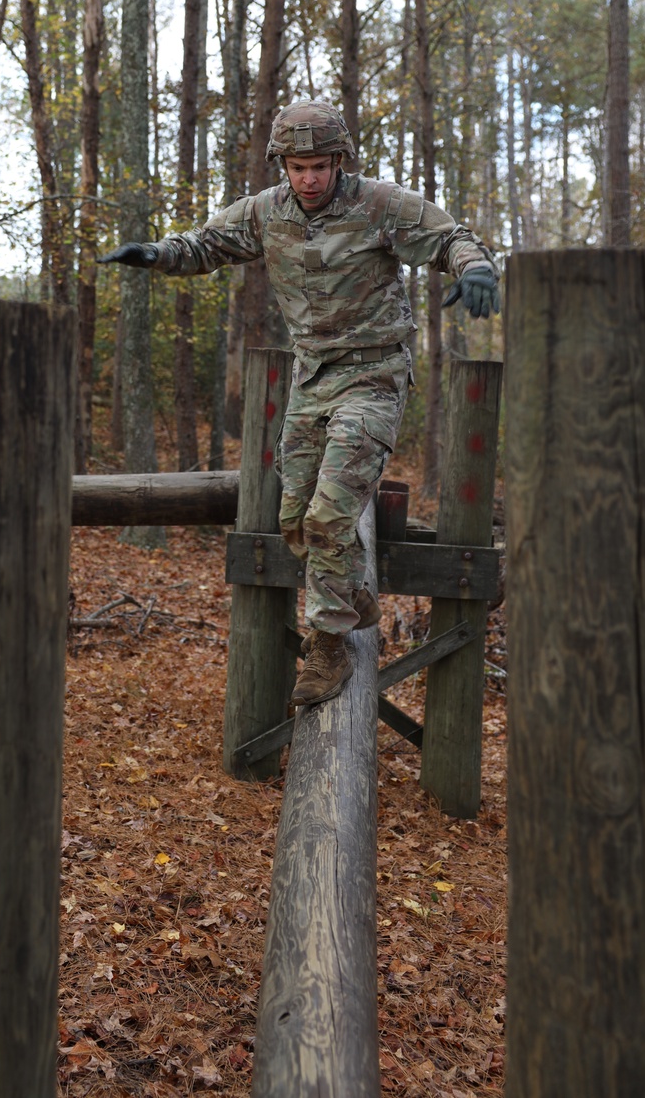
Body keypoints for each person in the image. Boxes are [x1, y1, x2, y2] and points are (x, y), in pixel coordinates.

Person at [100, 100, 499, 708]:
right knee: (294, 520)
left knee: (331, 514)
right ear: (282, 165)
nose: (309, 178)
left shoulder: (379, 205)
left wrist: (477, 269)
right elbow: (207, 243)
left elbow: (449, 238)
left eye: (319, 165)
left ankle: (329, 648)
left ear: (339, 161)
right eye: (297, 166)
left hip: (374, 375)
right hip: (312, 378)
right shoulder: (267, 211)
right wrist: (155, 254)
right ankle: (354, 600)